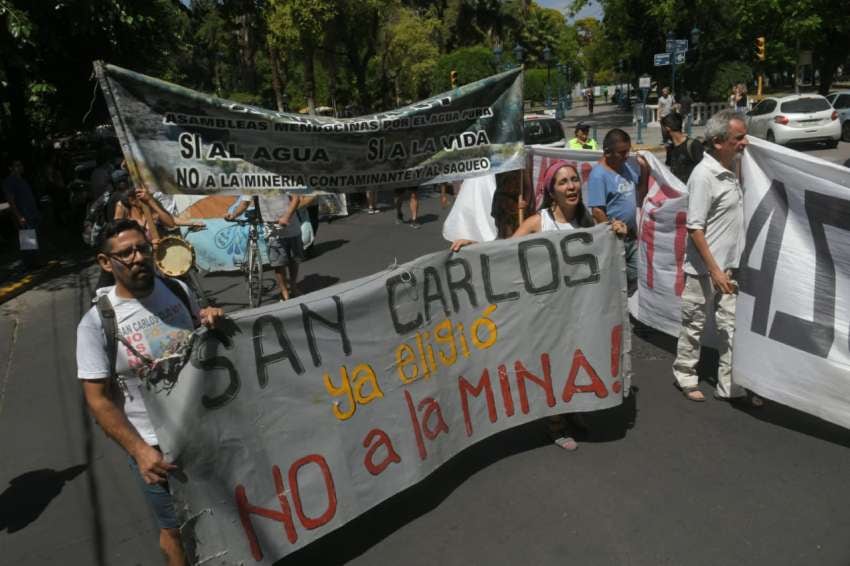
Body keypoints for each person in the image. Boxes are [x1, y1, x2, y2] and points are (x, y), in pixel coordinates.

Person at [76, 219, 223, 566]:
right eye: (126, 253)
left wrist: (210, 319)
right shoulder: (96, 324)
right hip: (157, 447)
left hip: (204, 424)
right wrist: (140, 451)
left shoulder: (176, 289)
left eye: (142, 248)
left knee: (223, 506)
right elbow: (97, 400)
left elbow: (197, 335)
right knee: (175, 530)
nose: (138, 257)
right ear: (104, 262)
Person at [451, 162, 627, 451]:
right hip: (547, 311)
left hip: (580, 309)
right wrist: (472, 248)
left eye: (574, 180)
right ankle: (554, 423)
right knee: (554, 362)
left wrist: (616, 231)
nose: (571, 186)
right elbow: (503, 253)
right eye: (562, 183)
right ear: (551, 191)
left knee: (577, 359)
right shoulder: (538, 222)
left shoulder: (589, 223)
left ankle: (573, 409)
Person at [671, 110, 762, 406]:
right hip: (704, 271)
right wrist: (715, 271)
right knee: (694, 325)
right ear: (719, 142)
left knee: (730, 327)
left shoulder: (733, 168)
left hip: (729, 269)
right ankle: (685, 375)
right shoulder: (704, 175)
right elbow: (695, 229)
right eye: (739, 138)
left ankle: (730, 385)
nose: (745, 143)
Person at [586, 129, 649, 294]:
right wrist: (614, 231)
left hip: (631, 238)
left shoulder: (625, 167)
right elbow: (597, 212)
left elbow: (640, 192)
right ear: (607, 152)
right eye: (622, 152)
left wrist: (644, 169)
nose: (626, 156)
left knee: (635, 277)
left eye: (627, 151)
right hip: (615, 240)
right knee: (617, 285)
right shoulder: (598, 176)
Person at [226, 193, 303, 301]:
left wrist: (287, 216)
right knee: (278, 263)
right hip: (271, 228)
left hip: (292, 225)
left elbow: (296, 198)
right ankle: (284, 291)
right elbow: (244, 203)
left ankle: (293, 286)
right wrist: (234, 215)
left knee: (294, 259)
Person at [3, 158, 42, 269]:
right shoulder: (10, 181)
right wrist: (19, 216)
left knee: (32, 239)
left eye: (20, 165)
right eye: (17, 165)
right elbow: (11, 201)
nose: (20, 167)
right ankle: (30, 264)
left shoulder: (22, 180)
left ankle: (34, 262)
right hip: (24, 215)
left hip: (31, 213)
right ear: (10, 168)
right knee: (27, 240)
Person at [660, 112, 704, 183]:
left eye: (662, 128)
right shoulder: (670, 147)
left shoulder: (693, 145)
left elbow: (704, 170)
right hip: (679, 191)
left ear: (667, 128)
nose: (662, 132)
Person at [657, 87, 675, 163]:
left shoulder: (671, 97)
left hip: (670, 116)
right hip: (663, 117)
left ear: (668, 92)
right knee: (664, 131)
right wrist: (658, 117)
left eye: (665, 91)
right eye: (663, 91)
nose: (664, 93)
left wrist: (674, 110)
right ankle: (665, 141)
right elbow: (659, 108)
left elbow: (674, 104)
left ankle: (671, 141)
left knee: (671, 130)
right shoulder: (660, 99)